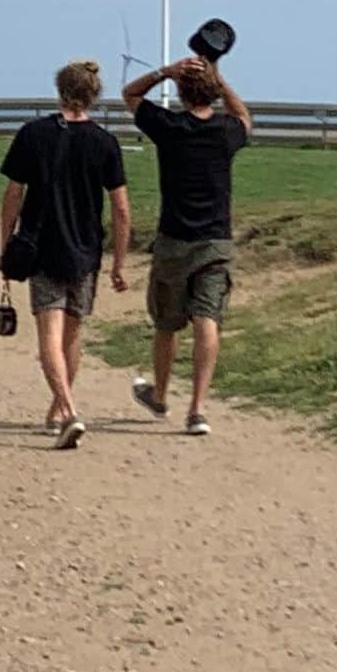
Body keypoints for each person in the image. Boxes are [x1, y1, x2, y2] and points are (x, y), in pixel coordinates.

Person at [0, 61, 131, 450]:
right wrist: (119, 263)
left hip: (42, 247)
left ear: (59, 90)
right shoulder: (105, 142)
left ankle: (67, 410)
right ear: (94, 94)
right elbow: (121, 209)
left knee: (50, 336)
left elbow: (12, 194)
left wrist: (5, 245)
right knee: (73, 334)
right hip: (85, 251)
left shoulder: (33, 135)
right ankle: (60, 408)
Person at [122, 55, 251, 436]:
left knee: (166, 323)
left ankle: (160, 396)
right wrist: (218, 77)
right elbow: (243, 115)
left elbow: (130, 94)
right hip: (215, 240)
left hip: (174, 238)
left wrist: (166, 71)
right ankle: (197, 409)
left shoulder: (170, 126)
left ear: (179, 91)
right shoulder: (226, 131)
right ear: (212, 92)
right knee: (207, 320)